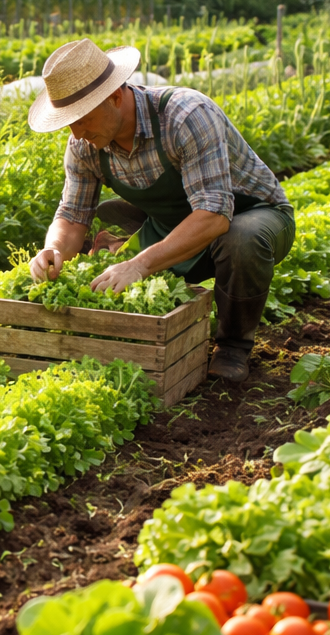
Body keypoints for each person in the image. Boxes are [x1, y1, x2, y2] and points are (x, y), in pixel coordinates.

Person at [26, 38, 294, 383]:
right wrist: (52, 249)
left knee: (240, 239)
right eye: (69, 123)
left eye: (83, 119)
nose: (77, 133)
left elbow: (214, 215)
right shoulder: (85, 143)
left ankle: (232, 347)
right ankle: (126, 244)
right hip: (177, 223)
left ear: (116, 97)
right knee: (111, 239)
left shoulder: (185, 116)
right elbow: (73, 215)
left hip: (251, 216)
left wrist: (140, 264)